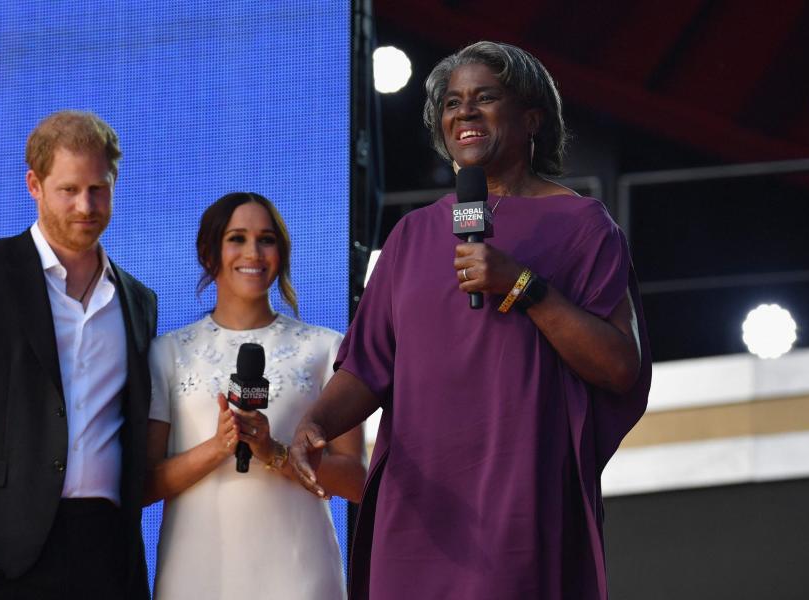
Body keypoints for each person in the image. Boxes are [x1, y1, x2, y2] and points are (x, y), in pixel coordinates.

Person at [291, 41, 652, 599]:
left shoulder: (583, 226)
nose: (465, 112)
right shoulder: (412, 236)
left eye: (486, 97)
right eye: (453, 102)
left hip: (517, 500)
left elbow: (618, 367)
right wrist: (317, 422)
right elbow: (367, 365)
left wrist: (523, 285)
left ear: (532, 118)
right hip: (419, 508)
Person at [0, 110, 158, 599]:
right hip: (0, 546)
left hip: (107, 549)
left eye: (99, 188)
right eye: (68, 189)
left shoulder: (138, 300)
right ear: (34, 185)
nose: (86, 205)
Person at [144, 192, 366, 599]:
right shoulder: (167, 353)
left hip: (299, 575)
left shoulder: (324, 349)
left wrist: (274, 452)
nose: (254, 252)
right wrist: (217, 447)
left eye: (266, 239)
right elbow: (142, 484)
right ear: (209, 252)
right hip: (196, 574)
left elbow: (357, 481)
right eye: (237, 238)